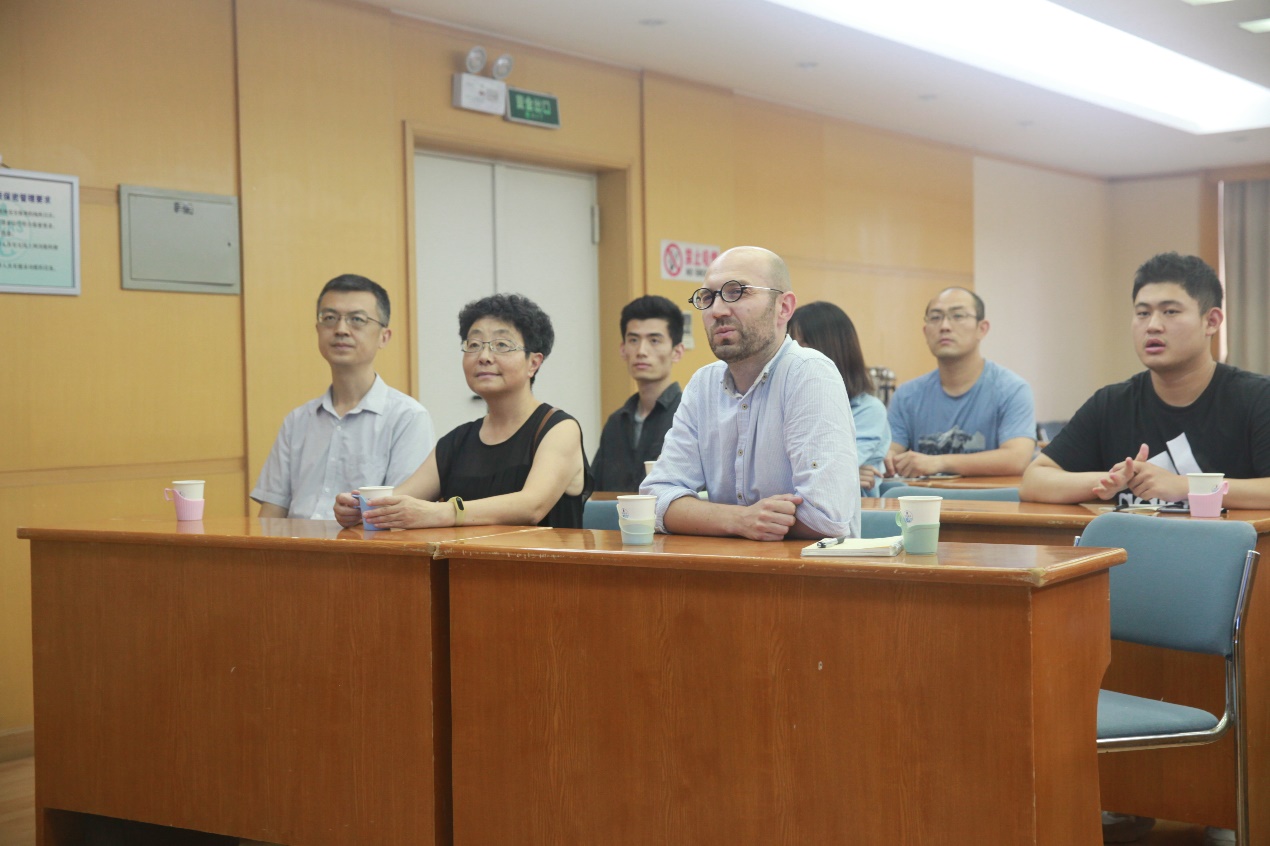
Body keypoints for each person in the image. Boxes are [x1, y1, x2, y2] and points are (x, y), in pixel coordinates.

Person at [641, 246, 860, 541]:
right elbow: (655, 500)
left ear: (784, 307)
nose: (717, 310)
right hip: (729, 564)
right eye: (707, 297)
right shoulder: (703, 384)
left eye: (737, 292)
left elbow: (826, 517)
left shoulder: (809, 373)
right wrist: (740, 519)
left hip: (810, 566)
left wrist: (706, 516)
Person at [1021, 252, 1270, 510]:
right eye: (1142, 313)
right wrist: (1112, 480)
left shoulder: (1258, 398)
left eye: (1170, 311)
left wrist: (1184, 486)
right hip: (1135, 539)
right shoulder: (1111, 404)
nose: (1152, 325)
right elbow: (1034, 481)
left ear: (1211, 321)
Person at [333, 293, 591, 530]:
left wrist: (441, 512)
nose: (484, 356)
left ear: (533, 363)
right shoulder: (457, 441)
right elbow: (400, 499)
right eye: (474, 344)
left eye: (502, 345)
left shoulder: (558, 429)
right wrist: (360, 509)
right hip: (466, 565)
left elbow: (532, 506)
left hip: (544, 566)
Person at [251, 274, 434, 520]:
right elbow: (272, 513)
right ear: (318, 329)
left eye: (357, 319)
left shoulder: (408, 418)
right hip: (294, 544)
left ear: (384, 336)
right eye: (329, 318)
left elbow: (398, 517)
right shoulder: (297, 421)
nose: (340, 330)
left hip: (365, 544)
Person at [884, 287, 1035, 478]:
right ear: (925, 332)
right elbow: (890, 451)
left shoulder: (1012, 389)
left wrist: (939, 462)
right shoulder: (907, 395)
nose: (945, 326)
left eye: (958, 316)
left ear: (982, 329)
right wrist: (886, 458)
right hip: (924, 496)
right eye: (935, 317)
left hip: (989, 497)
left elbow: (1017, 459)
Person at [788, 301, 891, 498]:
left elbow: (826, 474)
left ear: (834, 350)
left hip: (848, 514)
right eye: (790, 347)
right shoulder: (783, 404)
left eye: (804, 347)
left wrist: (841, 474)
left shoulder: (868, 410)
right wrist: (848, 474)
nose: (794, 356)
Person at [592, 295, 685, 491]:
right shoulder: (616, 423)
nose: (641, 351)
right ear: (623, 349)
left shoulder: (688, 417)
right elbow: (594, 492)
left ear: (677, 352)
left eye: (654, 340)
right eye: (633, 340)